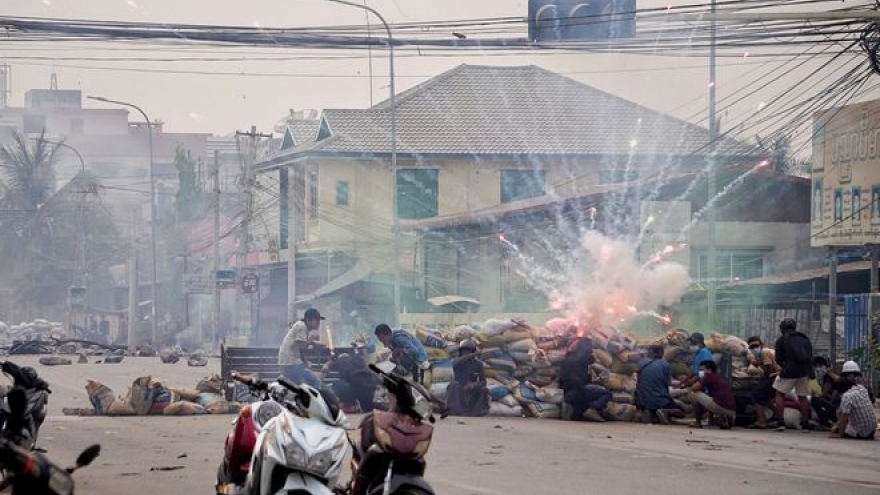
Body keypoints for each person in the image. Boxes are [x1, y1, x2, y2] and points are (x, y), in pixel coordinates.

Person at [772, 318, 814, 431]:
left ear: (782, 328)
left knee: (779, 394)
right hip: (804, 371)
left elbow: (778, 359)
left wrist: (784, 366)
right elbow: (809, 355)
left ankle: (780, 422)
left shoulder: (782, 340)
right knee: (802, 396)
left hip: (788, 371)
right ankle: (805, 423)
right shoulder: (804, 338)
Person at [559, 338, 612, 422]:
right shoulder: (586, 360)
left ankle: (575, 410)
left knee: (580, 413)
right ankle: (593, 409)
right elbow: (587, 379)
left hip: (567, 392)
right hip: (579, 391)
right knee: (607, 394)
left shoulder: (567, 358)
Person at [636, 345, 685, 424]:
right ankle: (664, 411)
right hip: (659, 399)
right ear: (661, 353)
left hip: (641, 400)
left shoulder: (642, 362)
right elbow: (668, 383)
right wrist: (681, 384)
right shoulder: (664, 364)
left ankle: (652, 413)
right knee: (682, 412)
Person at [277, 308, 323, 389]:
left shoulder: (302, 326)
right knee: (315, 381)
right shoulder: (302, 326)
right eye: (317, 320)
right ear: (308, 320)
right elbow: (301, 345)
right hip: (291, 364)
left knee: (306, 383)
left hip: (288, 364)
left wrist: (305, 362)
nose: (319, 323)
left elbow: (299, 348)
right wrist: (312, 340)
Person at [445, 340, 489, 417]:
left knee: (484, 389)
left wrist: (474, 385)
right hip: (459, 388)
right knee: (453, 385)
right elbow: (454, 364)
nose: (466, 352)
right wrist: (470, 355)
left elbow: (483, 381)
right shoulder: (457, 361)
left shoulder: (478, 364)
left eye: (468, 351)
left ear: (472, 351)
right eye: (464, 351)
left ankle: (477, 412)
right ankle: (456, 410)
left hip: (471, 389)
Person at [687, 360, 736, 429]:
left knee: (693, 394)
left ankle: (698, 423)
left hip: (720, 407)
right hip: (732, 411)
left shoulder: (708, 376)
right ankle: (723, 419)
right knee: (711, 398)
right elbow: (712, 397)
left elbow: (694, 388)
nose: (700, 372)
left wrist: (692, 383)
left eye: (702, 370)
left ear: (709, 369)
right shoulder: (717, 377)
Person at [745, 336, 781, 429]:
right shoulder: (762, 354)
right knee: (764, 398)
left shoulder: (764, 352)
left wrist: (758, 364)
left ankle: (762, 422)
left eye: (755, 346)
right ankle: (777, 414)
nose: (754, 349)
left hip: (774, 377)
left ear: (761, 344)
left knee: (755, 395)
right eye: (751, 347)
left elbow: (769, 370)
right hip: (776, 377)